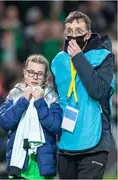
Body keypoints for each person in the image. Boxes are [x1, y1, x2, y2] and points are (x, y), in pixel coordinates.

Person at [51, 11, 115, 179]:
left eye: (78, 31)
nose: (73, 35)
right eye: (69, 31)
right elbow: (57, 99)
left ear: (87, 35)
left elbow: (98, 91)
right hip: (66, 142)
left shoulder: (103, 57)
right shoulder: (58, 62)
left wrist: (78, 57)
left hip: (94, 142)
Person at [0, 54, 63, 179]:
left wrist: (40, 102)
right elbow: (5, 122)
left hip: (41, 166)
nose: (35, 77)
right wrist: (24, 100)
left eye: (39, 74)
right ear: (25, 73)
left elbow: (56, 126)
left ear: (45, 77)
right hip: (19, 163)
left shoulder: (51, 96)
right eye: (31, 72)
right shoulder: (16, 93)